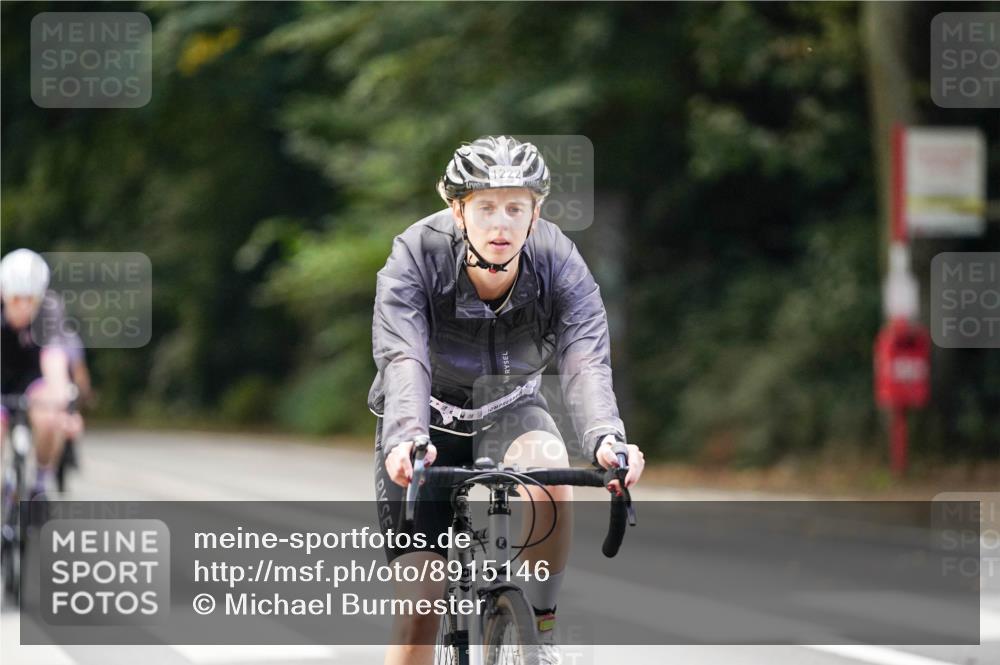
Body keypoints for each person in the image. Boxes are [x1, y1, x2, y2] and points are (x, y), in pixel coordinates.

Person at [370, 136, 645, 665]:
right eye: (486, 207)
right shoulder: (416, 254)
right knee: (419, 611)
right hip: (426, 422)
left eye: (516, 208)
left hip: (510, 408)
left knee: (549, 469)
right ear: (458, 209)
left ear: (535, 211)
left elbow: (585, 359)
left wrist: (607, 440)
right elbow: (404, 356)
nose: (501, 224)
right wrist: (406, 437)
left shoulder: (557, 259)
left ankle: (539, 632)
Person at [0, 249, 83, 499]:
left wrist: (64, 408)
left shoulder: (50, 310)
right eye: (16, 299)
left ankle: (40, 482)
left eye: (31, 300)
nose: (24, 307)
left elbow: (54, 359)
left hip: (33, 376)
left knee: (49, 419)